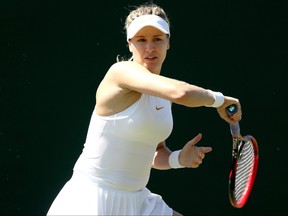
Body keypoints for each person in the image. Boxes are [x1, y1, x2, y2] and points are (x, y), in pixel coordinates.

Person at [46, 2, 242, 216]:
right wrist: (220, 100)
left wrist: (178, 159)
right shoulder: (120, 72)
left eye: (157, 39)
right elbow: (182, 94)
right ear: (130, 44)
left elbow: (155, 152)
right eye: (141, 40)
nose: (150, 48)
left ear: (168, 42)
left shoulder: (160, 91)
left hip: (138, 201)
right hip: (92, 198)